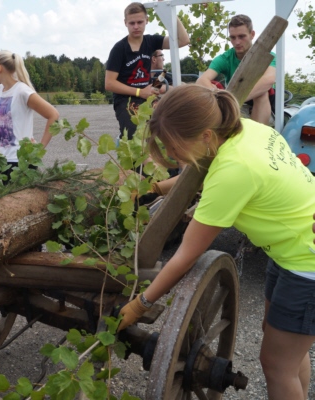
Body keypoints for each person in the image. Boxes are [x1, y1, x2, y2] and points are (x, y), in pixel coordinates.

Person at [118, 84, 315, 400]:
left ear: (206, 136)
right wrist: (154, 188)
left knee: (278, 365)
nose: (171, 154)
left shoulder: (233, 171)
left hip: (307, 263)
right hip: (292, 248)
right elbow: (199, 175)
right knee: (287, 351)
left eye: (173, 146)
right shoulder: (245, 130)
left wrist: (141, 303)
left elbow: (185, 256)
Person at [105, 2, 189, 140]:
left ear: (147, 21)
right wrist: (140, 92)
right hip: (126, 100)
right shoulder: (119, 49)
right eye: (132, 23)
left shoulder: (151, 41)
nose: (136, 26)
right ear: (125, 23)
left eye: (140, 22)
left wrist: (170, 10)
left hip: (148, 97)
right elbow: (109, 83)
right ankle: (125, 144)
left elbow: (183, 40)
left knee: (170, 128)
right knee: (134, 135)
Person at [0, 50, 59, 183]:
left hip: (22, 162)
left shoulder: (22, 91)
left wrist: (40, 148)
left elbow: (53, 115)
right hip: (4, 160)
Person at [196, 14, 276, 125]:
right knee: (209, 88)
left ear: (252, 34)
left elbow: (269, 79)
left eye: (241, 36)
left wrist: (233, 98)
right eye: (233, 37)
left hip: (264, 106)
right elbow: (201, 80)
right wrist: (218, 93)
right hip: (234, 105)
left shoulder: (267, 56)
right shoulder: (225, 58)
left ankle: (256, 133)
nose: (237, 42)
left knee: (262, 94)